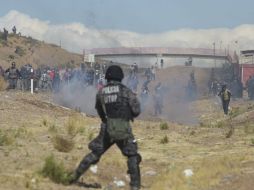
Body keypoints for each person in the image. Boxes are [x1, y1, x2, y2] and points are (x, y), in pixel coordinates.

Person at [68, 65, 142, 190]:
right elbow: (136, 110)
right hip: (123, 128)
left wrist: (106, 120)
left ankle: (73, 177)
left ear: (107, 76)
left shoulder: (101, 91)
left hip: (107, 128)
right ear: (120, 77)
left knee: (95, 153)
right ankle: (135, 186)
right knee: (132, 156)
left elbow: (99, 109)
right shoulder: (126, 91)